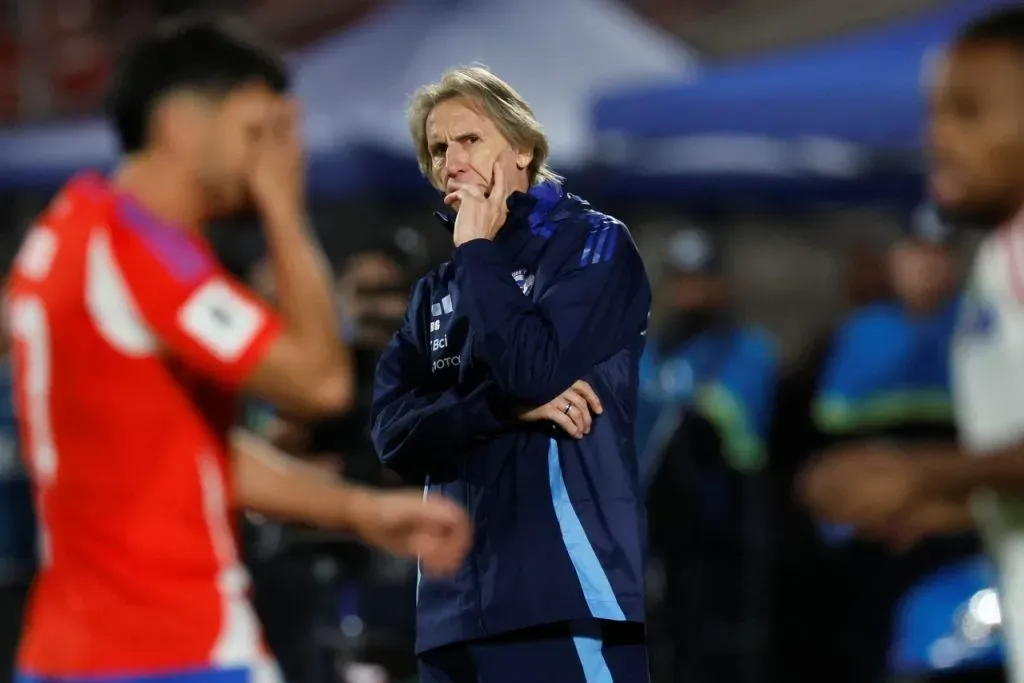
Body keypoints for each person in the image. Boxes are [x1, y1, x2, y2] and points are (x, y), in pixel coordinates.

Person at [3, 16, 470, 683]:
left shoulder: (70, 229)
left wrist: (356, 508)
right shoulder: (141, 252)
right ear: (183, 127)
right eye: (259, 131)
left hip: (70, 654)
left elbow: (188, 455)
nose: (278, 151)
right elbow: (319, 381)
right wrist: (284, 206)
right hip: (178, 645)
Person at [370, 66, 652, 683]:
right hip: (450, 611)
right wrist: (498, 409)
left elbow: (532, 370)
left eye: (470, 140)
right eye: (438, 148)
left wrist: (477, 249)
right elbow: (392, 436)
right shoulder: (435, 292)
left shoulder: (593, 245)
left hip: (562, 591)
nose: (451, 160)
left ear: (523, 147)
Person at [800, 8, 1024, 683]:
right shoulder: (994, 259)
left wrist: (929, 473)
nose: (939, 135)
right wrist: (941, 503)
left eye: (969, 112)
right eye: (936, 112)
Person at [638, 228, 778, 683]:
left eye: (702, 279)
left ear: (721, 284)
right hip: (658, 522)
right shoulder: (653, 348)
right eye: (684, 280)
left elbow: (737, 427)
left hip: (725, 518)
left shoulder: (749, 349)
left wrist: (681, 410)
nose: (692, 291)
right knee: (665, 635)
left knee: (722, 641)